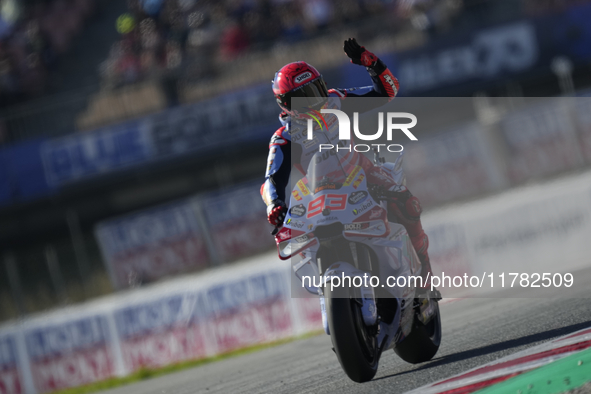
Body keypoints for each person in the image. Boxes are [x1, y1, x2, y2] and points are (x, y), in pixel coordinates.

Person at [260, 38, 432, 285]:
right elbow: (271, 180)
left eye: (317, 89)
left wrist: (372, 63)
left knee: (408, 203)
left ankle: (424, 268)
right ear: (286, 104)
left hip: (363, 171)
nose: (316, 99)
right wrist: (274, 205)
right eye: (305, 97)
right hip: (318, 193)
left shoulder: (336, 101)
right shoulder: (284, 137)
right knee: (299, 239)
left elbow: (387, 92)